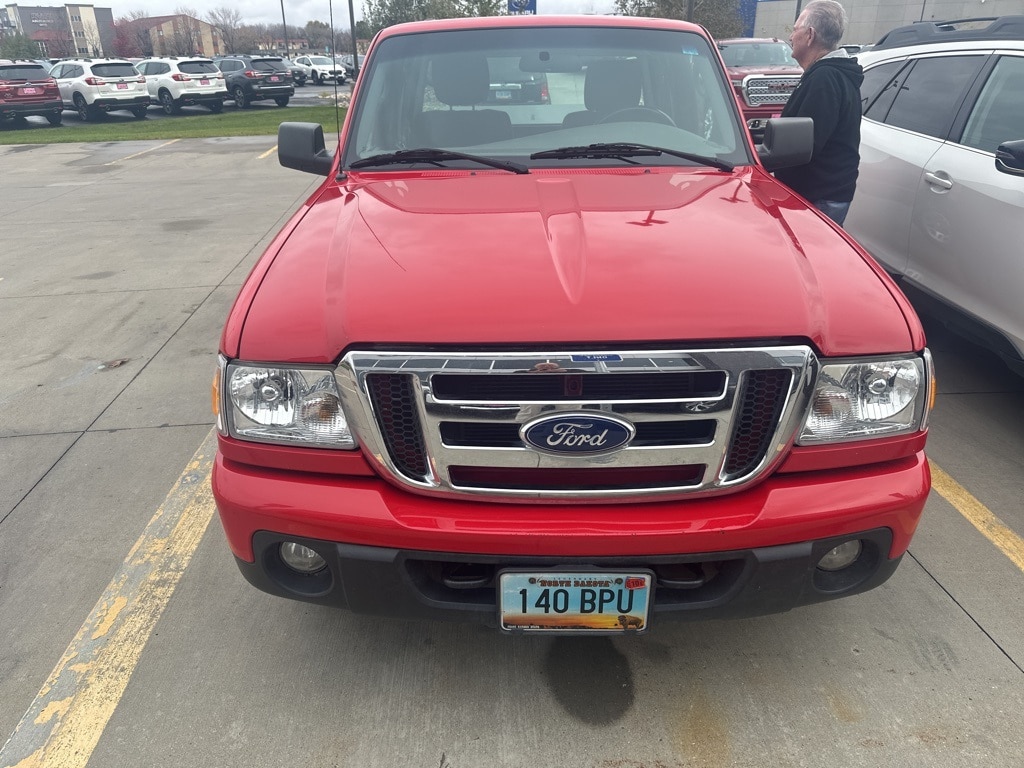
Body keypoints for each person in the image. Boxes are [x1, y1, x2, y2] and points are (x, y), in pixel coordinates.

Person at [774, 0, 863, 226]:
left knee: (809, 259)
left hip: (818, 197)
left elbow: (802, 144)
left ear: (810, 35)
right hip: (823, 194)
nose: (791, 37)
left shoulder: (825, 79)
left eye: (795, 30)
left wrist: (765, 156)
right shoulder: (828, 75)